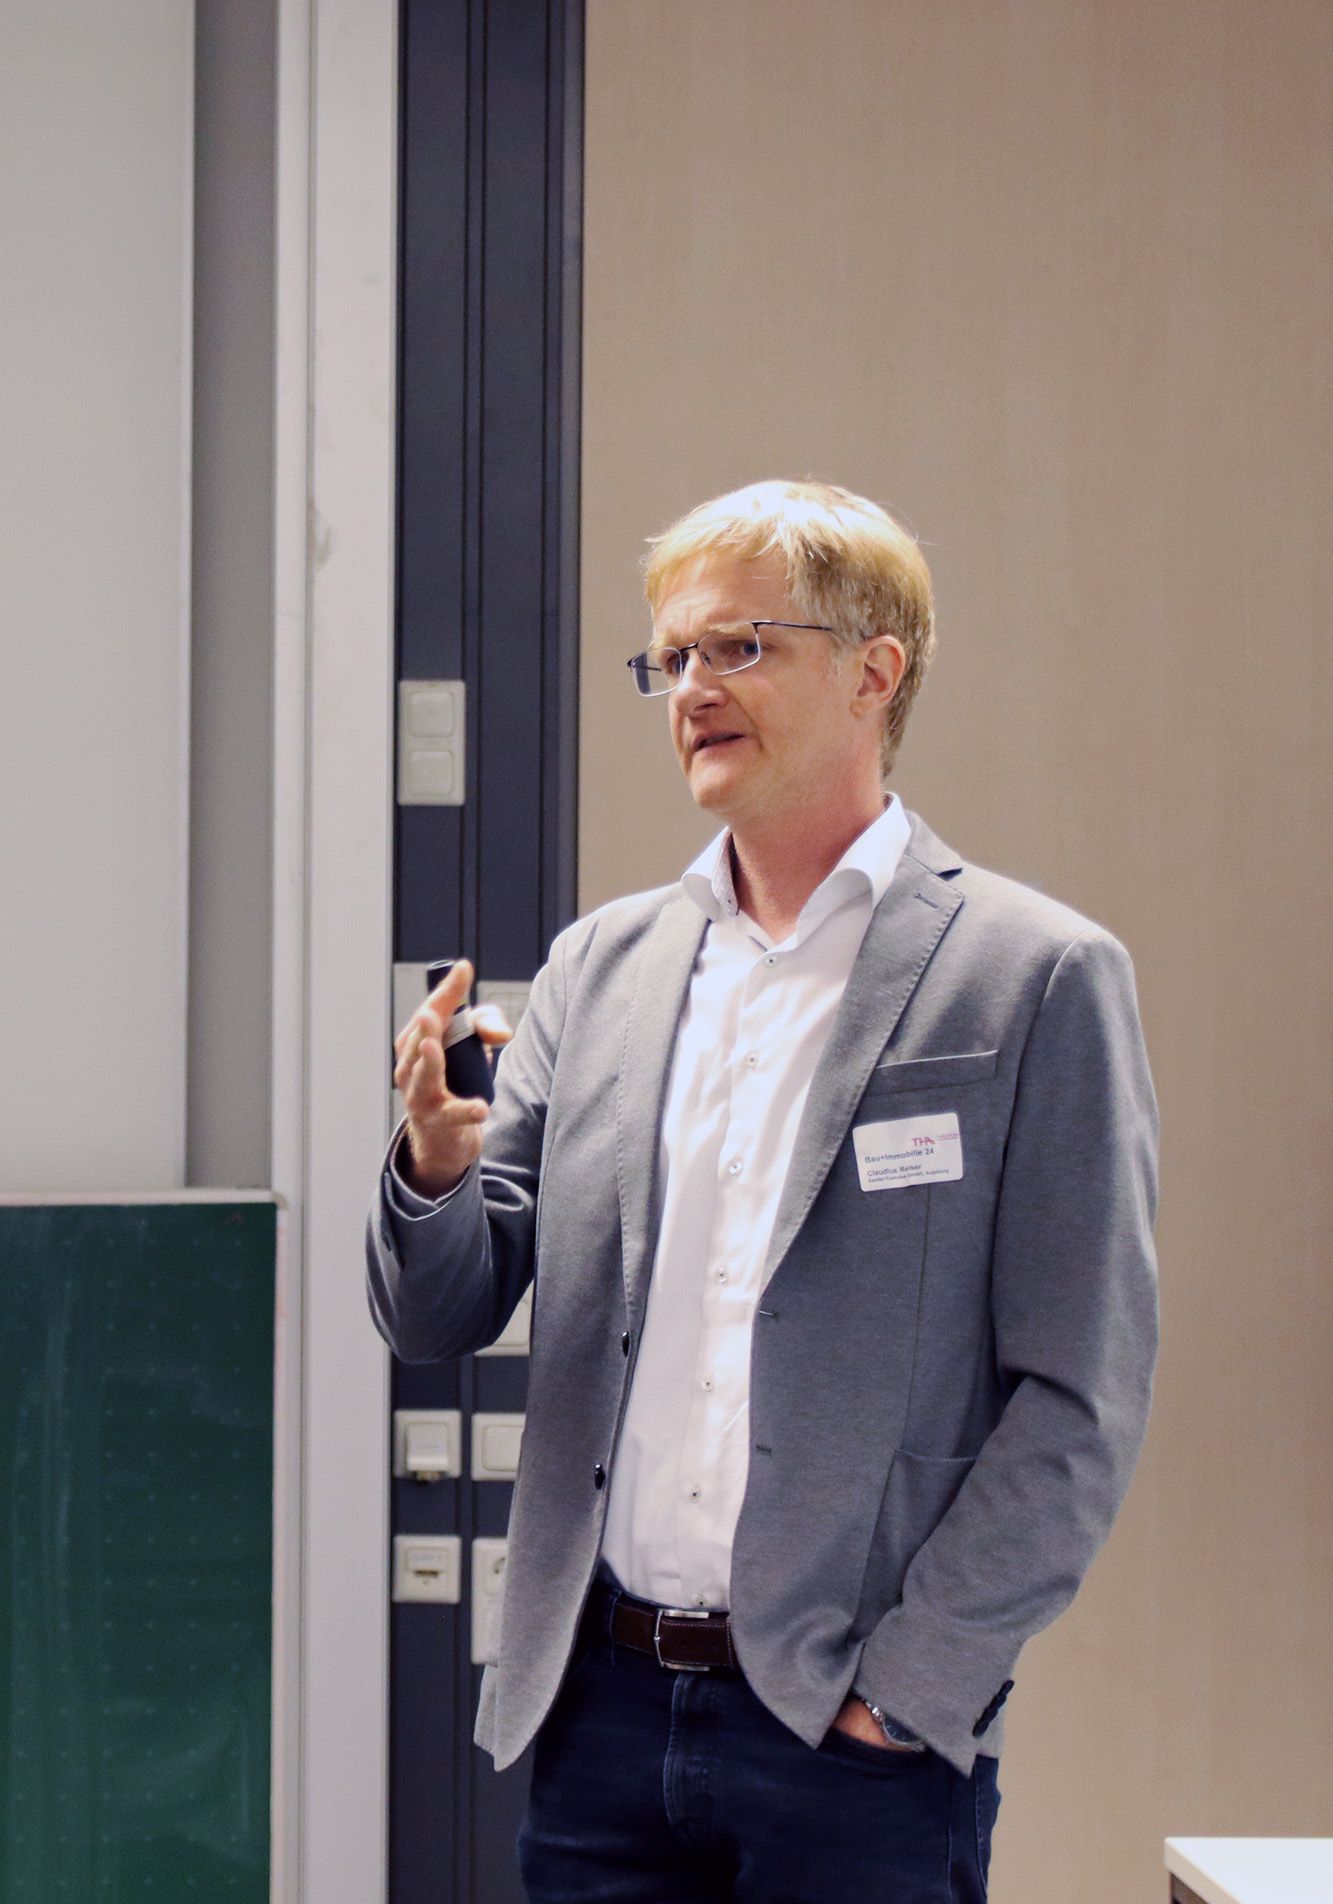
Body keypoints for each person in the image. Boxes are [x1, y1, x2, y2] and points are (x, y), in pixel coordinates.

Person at [366, 478, 1160, 1902]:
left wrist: (906, 1697)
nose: (692, 687)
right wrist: (433, 1163)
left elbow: (1077, 1399)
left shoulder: (1030, 976)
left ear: (873, 673)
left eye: (739, 647)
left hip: (851, 1741)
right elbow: (441, 1312)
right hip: (595, 1717)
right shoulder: (602, 968)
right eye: (669, 657)